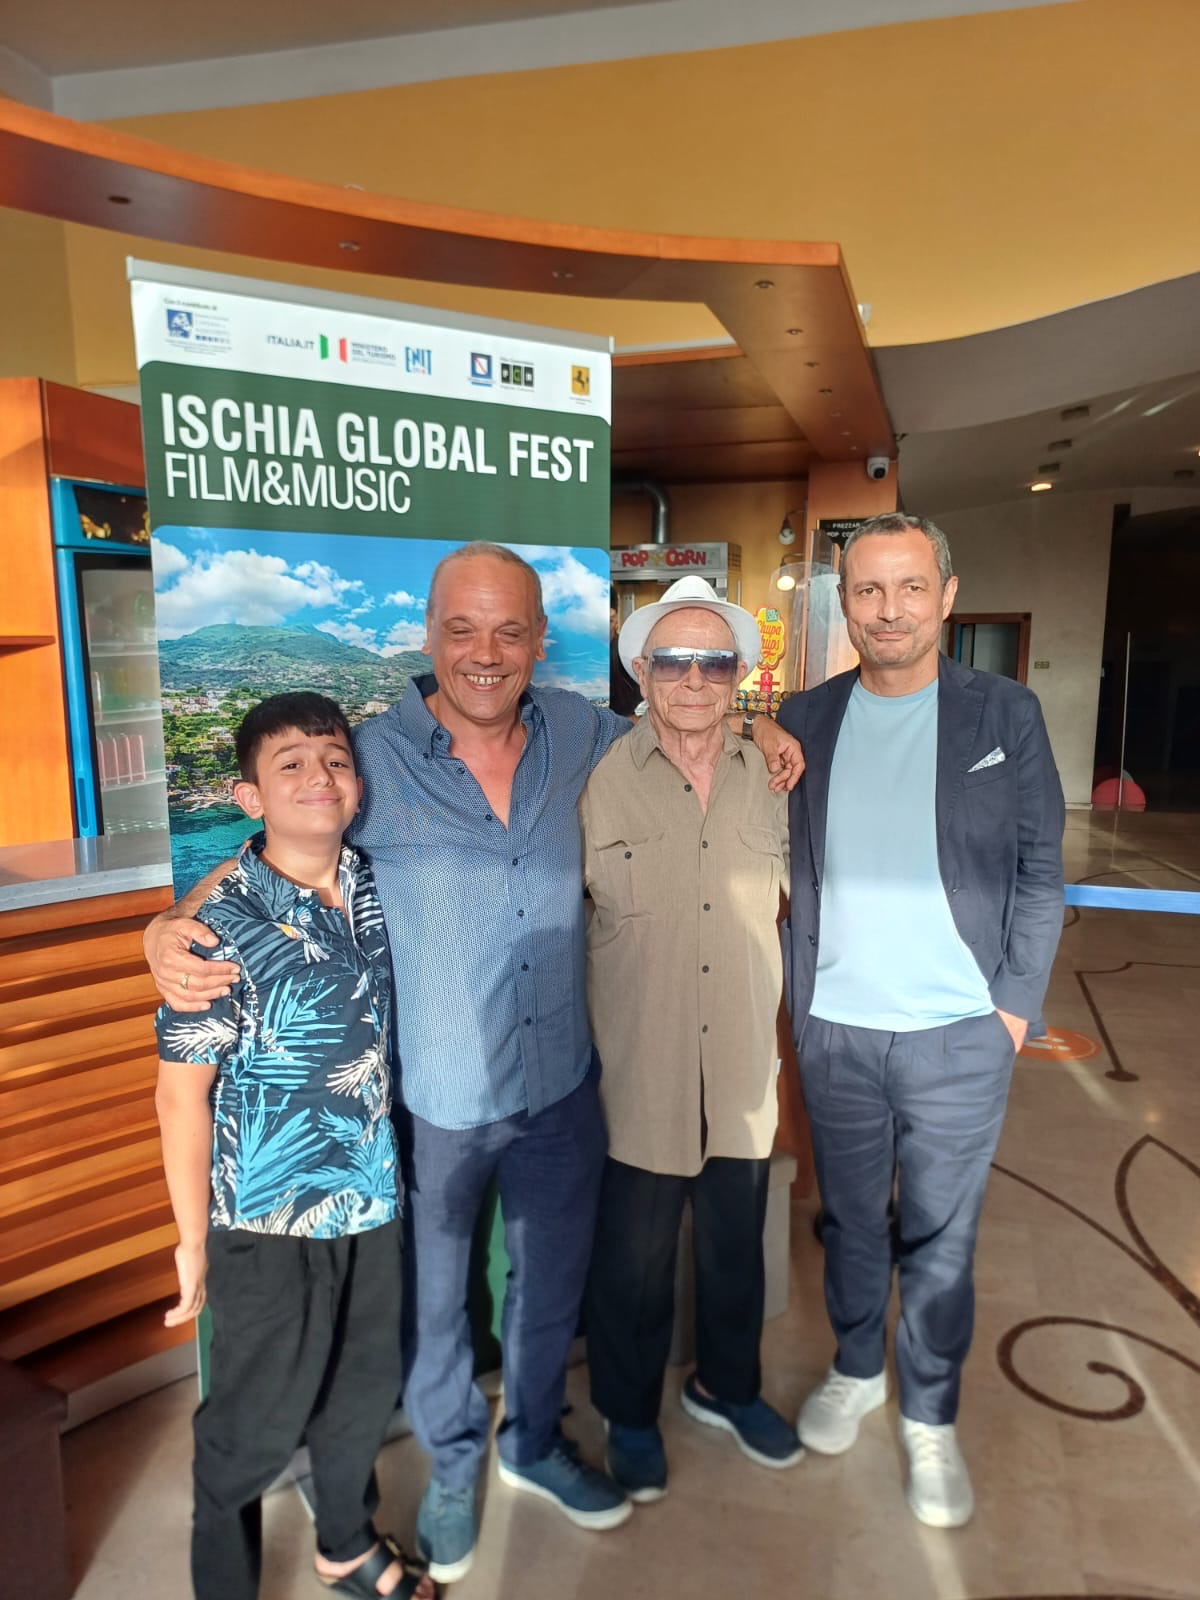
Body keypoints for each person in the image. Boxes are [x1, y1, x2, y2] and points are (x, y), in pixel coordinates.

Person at [145, 542, 804, 1585]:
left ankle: (533, 1442)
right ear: (430, 635)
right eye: (462, 629)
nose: (485, 653)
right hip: (436, 1103)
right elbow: (285, 833)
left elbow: (686, 730)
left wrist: (764, 728)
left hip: (562, 1088)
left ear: (540, 641)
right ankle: (455, 1467)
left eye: (509, 631)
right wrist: (171, 923)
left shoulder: (583, 733)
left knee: (548, 1290)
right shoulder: (369, 754)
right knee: (437, 1309)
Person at [777, 513, 1065, 1528]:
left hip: (960, 1034)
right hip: (838, 1031)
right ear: (845, 604)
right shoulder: (805, 716)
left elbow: (1041, 872)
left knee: (943, 1240)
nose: (888, 609)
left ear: (946, 595)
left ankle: (930, 1414)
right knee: (852, 1220)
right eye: (867, 590)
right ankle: (859, 1368)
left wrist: (1011, 1012)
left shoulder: (1005, 713)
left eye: (909, 587)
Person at [152, 692, 433, 1600]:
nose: (321, 777)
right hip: (269, 1219)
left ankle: (344, 1541)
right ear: (249, 797)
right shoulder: (214, 930)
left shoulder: (370, 884)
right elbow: (181, 1094)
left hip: (372, 1195)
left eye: (336, 759)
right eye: (292, 765)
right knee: (251, 1426)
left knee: (364, 1388)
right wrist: (191, 1239)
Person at [581, 576, 804, 1504]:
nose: (694, 679)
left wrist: (770, 728)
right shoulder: (596, 774)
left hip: (744, 1063)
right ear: (641, 671)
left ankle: (728, 1387)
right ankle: (629, 1415)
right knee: (633, 1265)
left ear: (739, 676)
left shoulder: (774, 775)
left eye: (715, 662)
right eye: (673, 660)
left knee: (735, 1246)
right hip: (642, 1066)